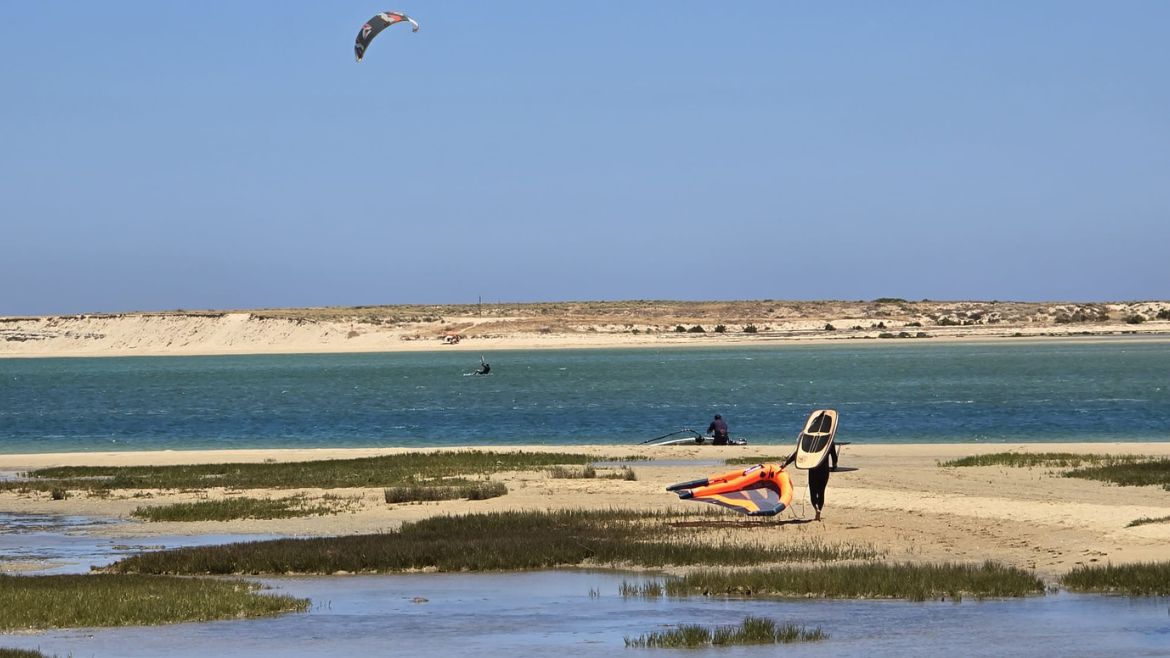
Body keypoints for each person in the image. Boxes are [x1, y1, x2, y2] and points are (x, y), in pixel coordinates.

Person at [783, 443, 838, 521]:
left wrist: (786, 463)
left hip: (813, 470)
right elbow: (834, 458)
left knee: (813, 492)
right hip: (824, 470)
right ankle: (819, 511)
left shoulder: (811, 441)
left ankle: (816, 509)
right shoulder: (829, 442)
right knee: (821, 492)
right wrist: (834, 466)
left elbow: (798, 453)